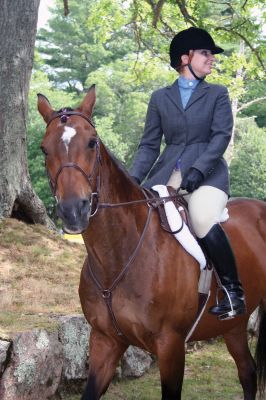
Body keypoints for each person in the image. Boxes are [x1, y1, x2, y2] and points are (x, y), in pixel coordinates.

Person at [130, 27, 246, 320]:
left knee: (202, 217)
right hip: (167, 173)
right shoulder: (160, 98)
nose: (212, 60)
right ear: (185, 58)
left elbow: (221, 137)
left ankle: (233, 293)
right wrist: (133, 179)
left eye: (211, 55)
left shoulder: (217, 94)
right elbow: (149, 144)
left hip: (208, 175)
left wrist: (198, 169)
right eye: (206, 53)